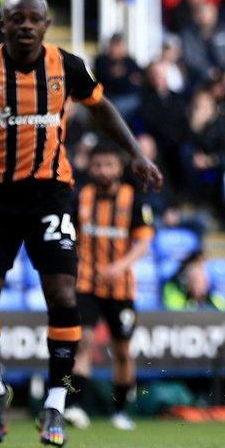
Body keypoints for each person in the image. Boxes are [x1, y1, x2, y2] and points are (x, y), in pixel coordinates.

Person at [0, 0, 162, 448]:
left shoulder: (67, 65)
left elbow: (101, 108)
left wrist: (134, 153)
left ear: (47, 23)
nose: (26, 26)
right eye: (18, 18)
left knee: (62, 291)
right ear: (3, 24)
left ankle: (55, 400)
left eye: (35, 18)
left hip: (51, 196)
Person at [66, 146, 154, 432]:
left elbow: (143, 243)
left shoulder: (134, 199)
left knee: (123, 351)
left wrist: (120, 266)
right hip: (86, 283)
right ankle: (77, 407)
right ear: (91, 168)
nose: (104, 170)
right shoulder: (81, 197)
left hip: (121, 288)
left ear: (119, 167)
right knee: (83, 344)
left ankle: (120, 410)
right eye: (99, 164)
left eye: (109, 164)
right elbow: (68, 234)